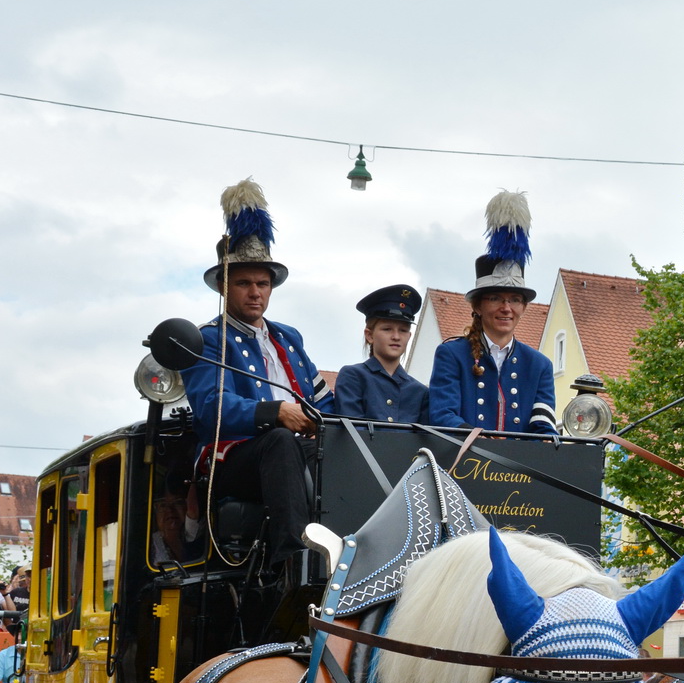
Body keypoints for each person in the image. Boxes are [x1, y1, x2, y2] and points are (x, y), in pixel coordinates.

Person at [181, 179, 334, 569]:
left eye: (263, 284)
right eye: (245, 283)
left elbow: (322, 400)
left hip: (295, 449)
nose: (255, 292)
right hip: (232, 460)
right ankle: (293, 558)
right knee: (281, 441)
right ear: (223, 285)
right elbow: (212, 409)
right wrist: (276, 412)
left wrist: (335, 424)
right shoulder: (209, 340)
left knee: (341, 449)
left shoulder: (289, 337)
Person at [427, 191, 558, 435]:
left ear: (524, 307)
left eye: (515, 300)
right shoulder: (451, 354)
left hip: (519, 471)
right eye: (495, 298)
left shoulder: (539, 365)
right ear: (477, 306)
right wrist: (483, 445)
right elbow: (442, 415)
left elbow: (543, 427)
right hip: (464, 463)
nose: (506, 308)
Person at [335, 285, 429, 424]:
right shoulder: (353, 377)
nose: (396, 336)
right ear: (369, 335)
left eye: (403, 330)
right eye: (387, 329)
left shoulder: (420, 392)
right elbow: (352, 433)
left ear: (409, 336)